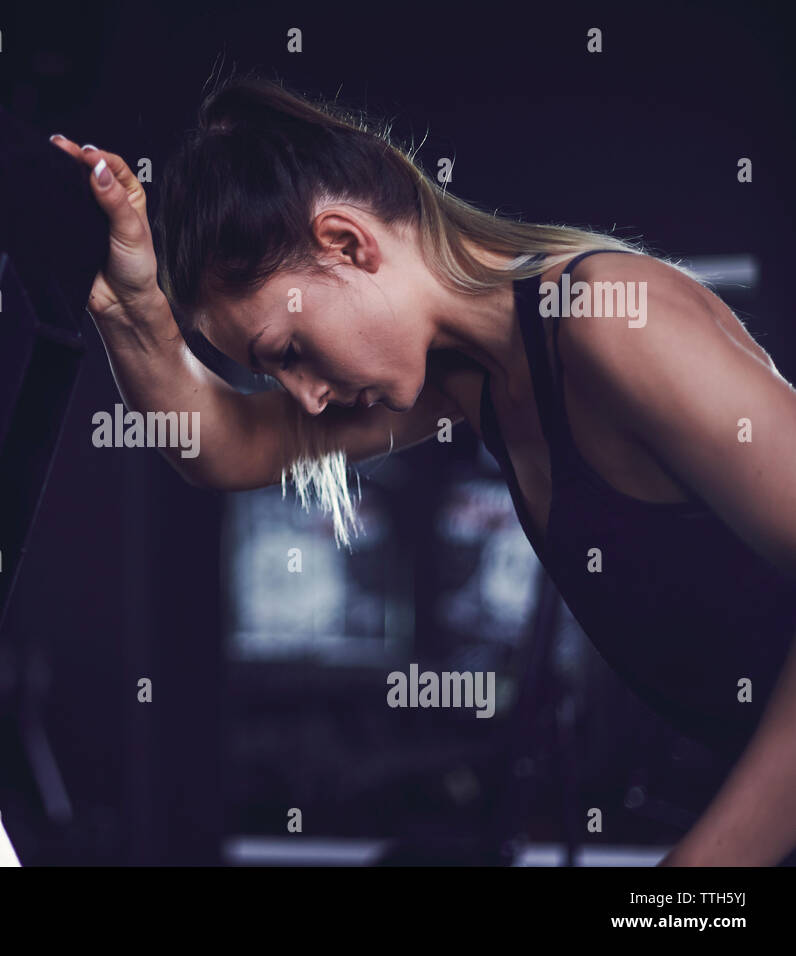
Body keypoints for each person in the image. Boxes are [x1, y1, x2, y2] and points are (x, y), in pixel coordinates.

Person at [48, 73, 796, 866]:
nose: (304, 399)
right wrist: (129, 310)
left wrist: (695, 888)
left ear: (347, 242)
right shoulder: (472, 375)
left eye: (290, 354)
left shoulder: (607, 319)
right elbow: (228, 444)